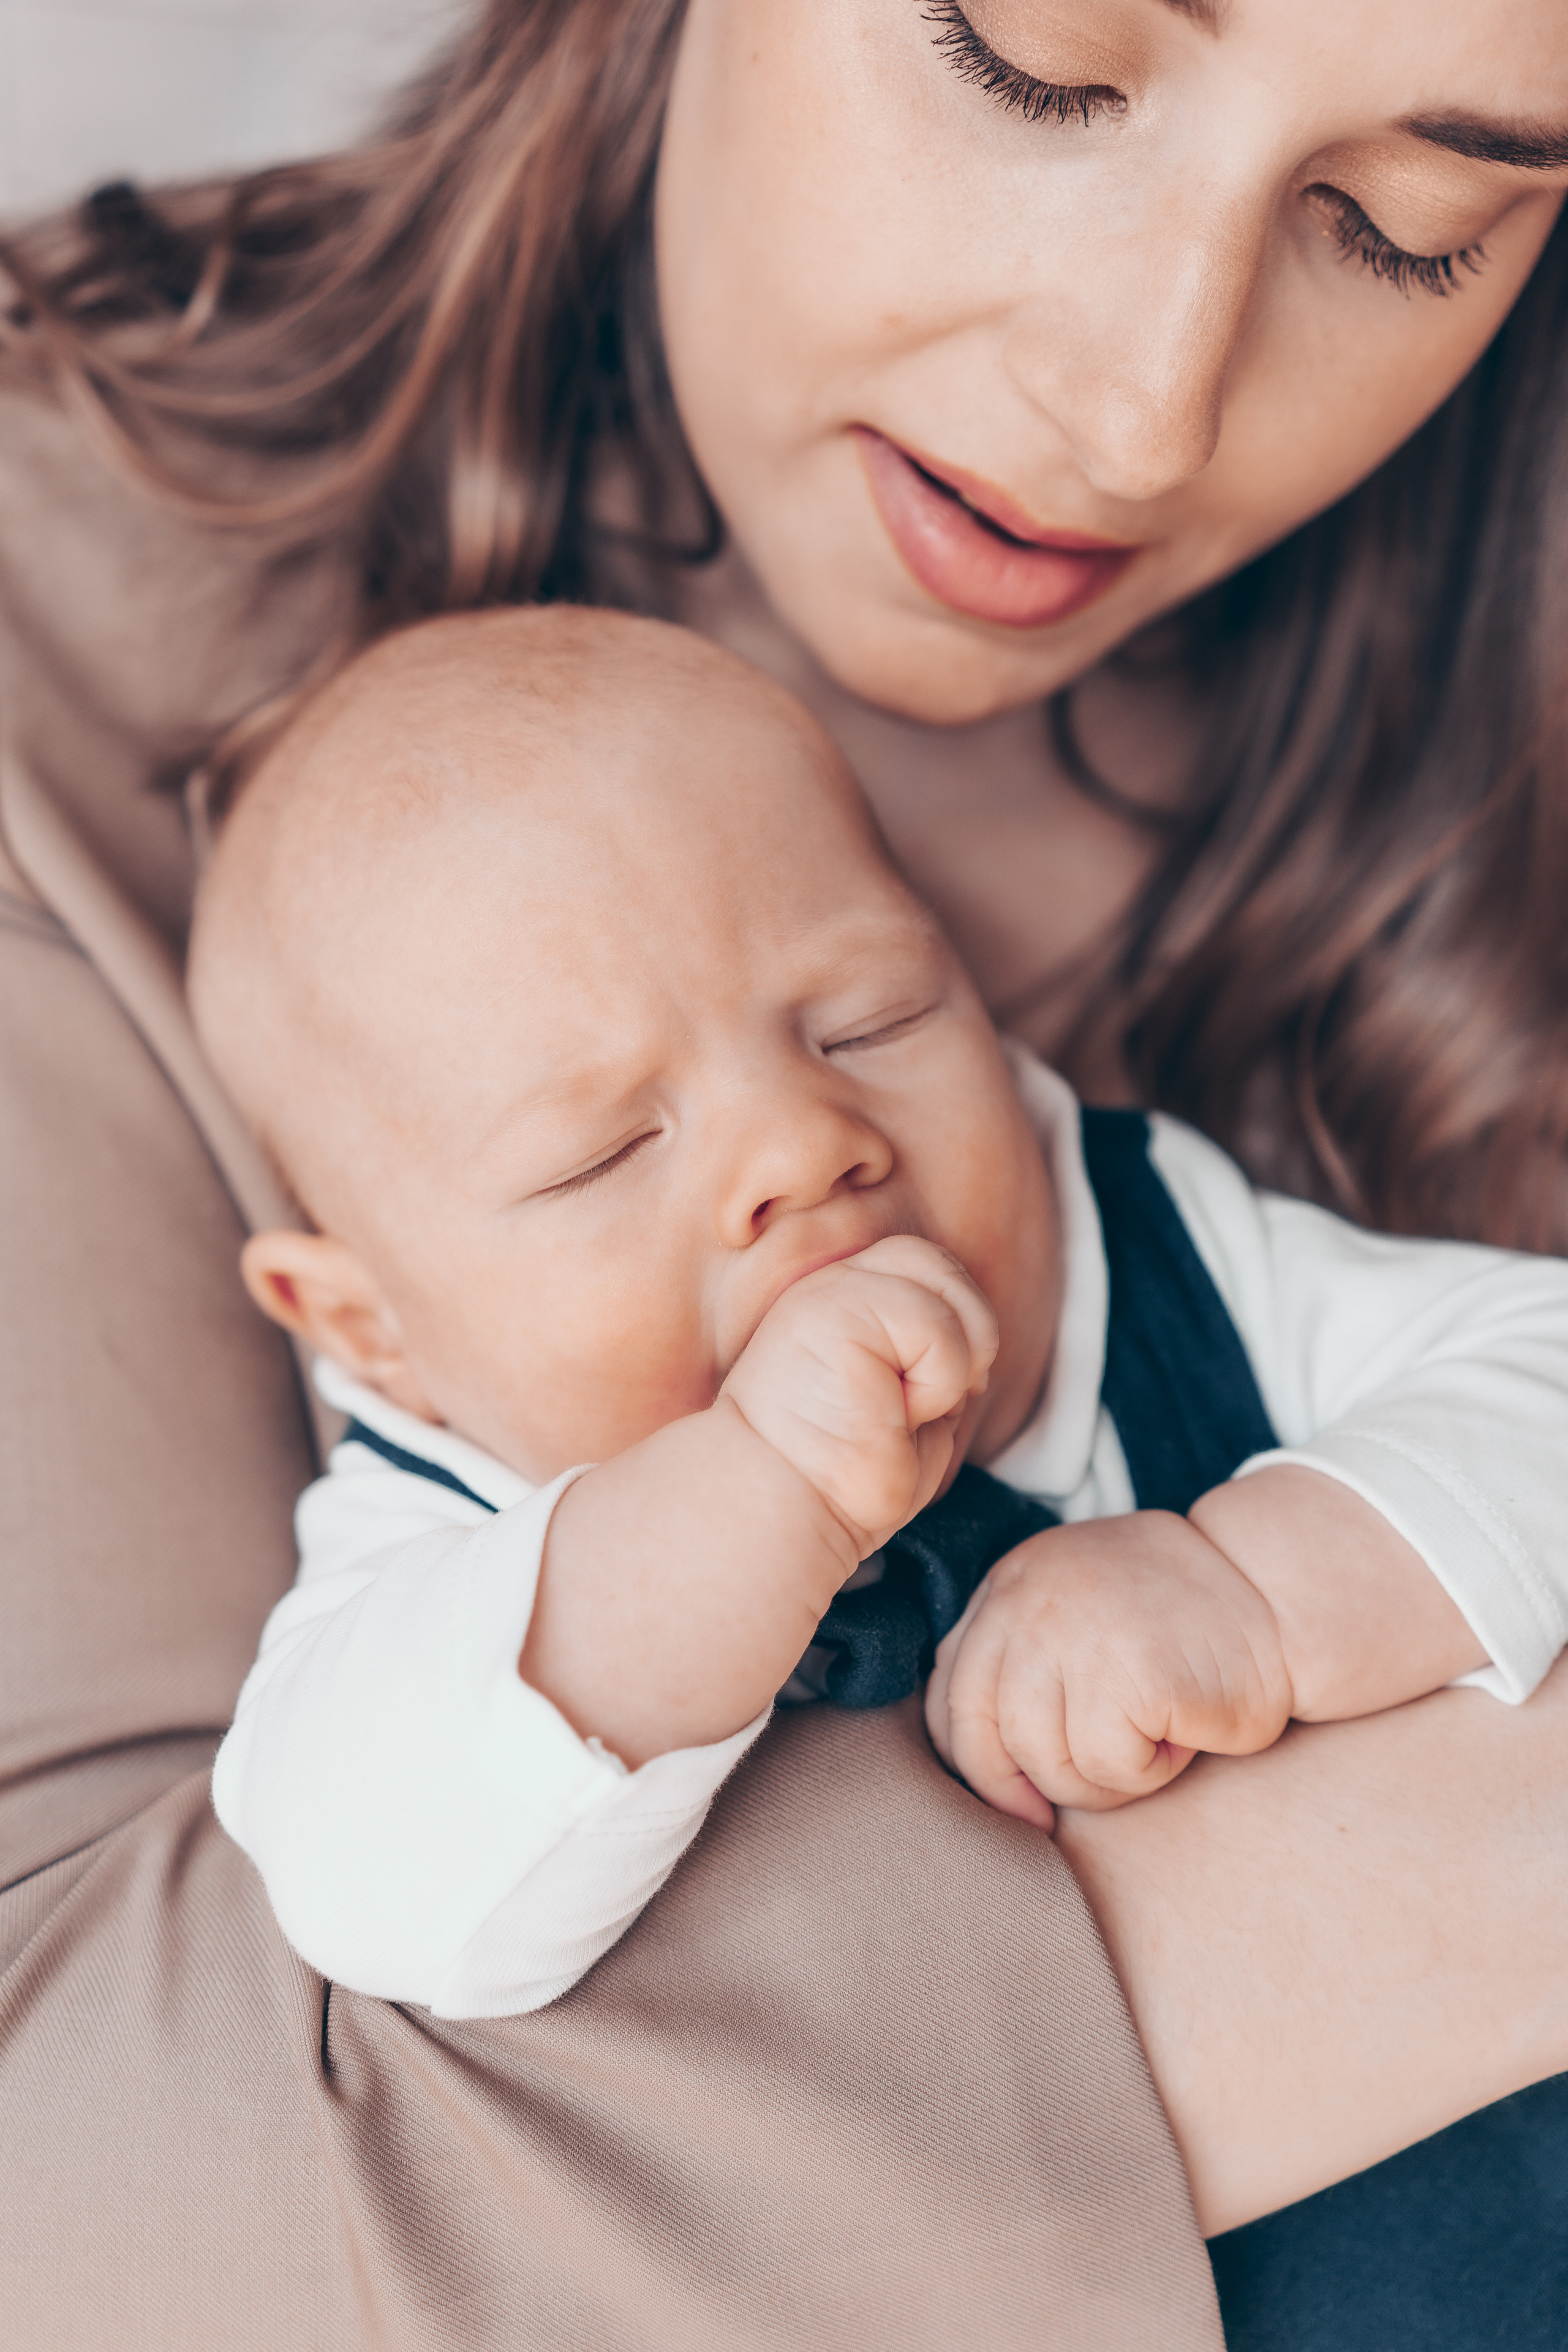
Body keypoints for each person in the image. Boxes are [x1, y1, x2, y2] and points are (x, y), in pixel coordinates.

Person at [2, 0, 1567, 2341]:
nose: (1140, 405)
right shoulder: (57, 642)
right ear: (349, 1311)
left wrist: (1258, 1598)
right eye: (1035, 63)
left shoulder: (1143, 1186)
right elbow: (99, 2188)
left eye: (1405, 224)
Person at [192, 603, 1568, 2021]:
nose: (800, 1145)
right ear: (368, 1330)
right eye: (603, 1155)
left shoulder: (1157, 1245)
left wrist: (1258, 1589)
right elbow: (371, 1892)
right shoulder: (431, 1556)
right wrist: (750, 1501)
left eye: (869, 1021)